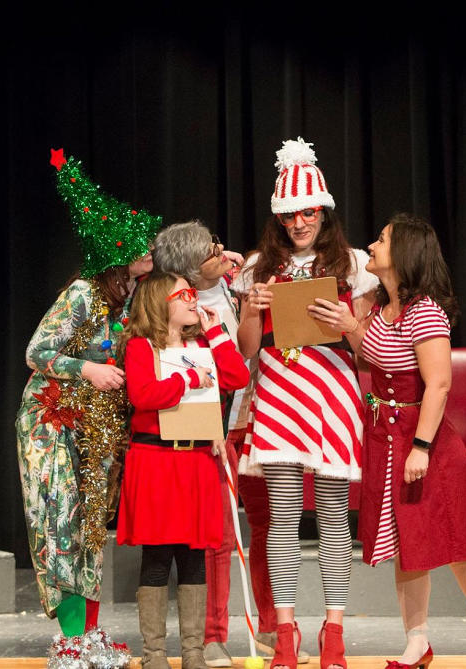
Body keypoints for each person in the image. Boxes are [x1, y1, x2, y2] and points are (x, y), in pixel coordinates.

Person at [308, 213, 466, 669]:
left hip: (424, 441)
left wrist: (421, 448)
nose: (373, 244)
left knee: (459, 545)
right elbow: (374, 353)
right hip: (386, 437)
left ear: (404, 253)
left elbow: (438, 385)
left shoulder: (425, 312)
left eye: (381, 239)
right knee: (407, 545)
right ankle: (417, 640)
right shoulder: (382, 309)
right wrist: (349, 323)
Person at [234, 137, 378, 669]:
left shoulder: (355, 264)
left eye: (309, 213)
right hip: (278, 389)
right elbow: (247, 351)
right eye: (291, 215)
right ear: (278, 218)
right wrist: (252, 309)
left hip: (334, 390)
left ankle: (334, 632)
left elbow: (371, 355)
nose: (300, 223)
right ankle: (288, 631)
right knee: (283, 519)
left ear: (324, 212)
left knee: (335, 517)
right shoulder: (256, 267)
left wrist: (349, 324)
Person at [15, 149, 161, 669]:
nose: (151, 249)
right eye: (140, 242)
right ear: (115, 250)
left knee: (94, 529)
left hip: (97, 426)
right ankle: (70, 639)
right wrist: (89, 370)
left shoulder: (126, 302)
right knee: (61, 525)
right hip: (52, 425)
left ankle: (91, 636)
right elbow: (36, 353)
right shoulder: (81, 294)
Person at [152, 221, 301, 666]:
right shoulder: (178, 306)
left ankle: (277, 629)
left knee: (269, 526)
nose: (222, 250)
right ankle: (213, 637)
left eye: (218, 243)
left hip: (256, 420)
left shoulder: (238, 285)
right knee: (216, 535)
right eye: (210, 250)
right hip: (212, 429)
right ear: (188, 269)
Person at [115, 272, 250, 669]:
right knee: (157, 556)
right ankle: (154, 654)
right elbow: (144, 394)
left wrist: (218, 333)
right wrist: (189, 378)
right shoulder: (141, 346)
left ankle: (192, 652)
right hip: (156, 461)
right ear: (160, 301)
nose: (194, 301)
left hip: (195, 462)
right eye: (185, 295)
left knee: (194, 555)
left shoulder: (201, 344)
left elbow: (237, 378)